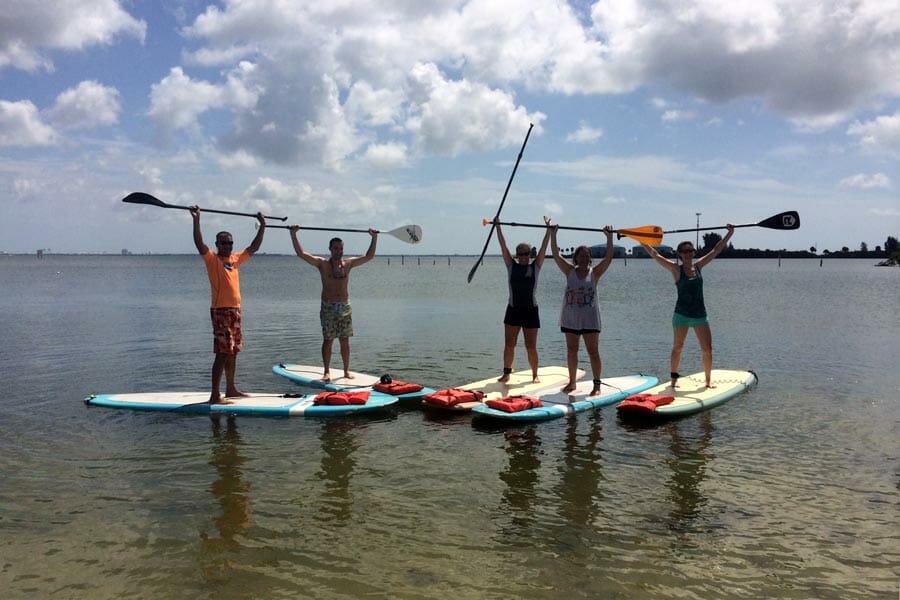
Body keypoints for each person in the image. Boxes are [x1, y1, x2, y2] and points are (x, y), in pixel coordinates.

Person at [640, 225, 735, 389]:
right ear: (680, 254)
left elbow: (715, 250)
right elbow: (655, 254)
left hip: (700, 315)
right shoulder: (676, 269)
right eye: (684, 251)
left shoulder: (699, 266)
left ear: (693, 252)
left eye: (690, 250)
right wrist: (641, 240)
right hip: (681, 315)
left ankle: (707, 381)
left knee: (707, 349)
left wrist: (729, 233)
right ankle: (674, 379)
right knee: (678, 347)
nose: (688, 253)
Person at [191, 206, 266, 404]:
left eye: (230, 243)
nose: (228, 246)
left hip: (235, 311)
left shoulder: (234, 260)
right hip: (220, 311)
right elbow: (199, 243)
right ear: (217, 244)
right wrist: (196, 219)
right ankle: (215, 395)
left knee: (233, 352)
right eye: (224, 243)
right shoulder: (212, 259)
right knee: (222, 353)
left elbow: (254, 247)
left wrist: (263, 225)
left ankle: (231, 389)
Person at [290, 226, 378, 382]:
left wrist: (374, 237)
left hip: (344, 306)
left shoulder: (348, 264)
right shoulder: (322, 264)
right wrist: (293, 234)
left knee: (345, 340)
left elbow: (369, 256)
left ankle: (346, 370)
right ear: (330, 249)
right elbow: (301, 254)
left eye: (341, 248)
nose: (339, 251)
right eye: (336, 248)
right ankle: (326, 371)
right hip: (328, 307)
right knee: (328, 339)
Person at [549, 225, 614, 396]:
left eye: (587, 255)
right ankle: (572, 383)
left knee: (593, 351)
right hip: (570, 319)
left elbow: (608, 259)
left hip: (590, 320)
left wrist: (609, 237)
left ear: (589, 258)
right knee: (572, 350)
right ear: (576, 257)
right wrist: (553, 234)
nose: (584, 257)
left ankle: (597, 385)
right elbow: (556, 255)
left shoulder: (595, 273)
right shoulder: (569, 271)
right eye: (581, 255)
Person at [494, 215, 552, 384]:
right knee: (509, 344)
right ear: (517, 255)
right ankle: (506, 373)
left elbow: (543, 248)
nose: (524, 256)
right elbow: (503, 245)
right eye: (520, 254)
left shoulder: (536, 266)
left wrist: (548, 230)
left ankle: (535, 375)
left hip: (530, 311)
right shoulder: (511, 266)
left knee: (530, 346)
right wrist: (498, 226)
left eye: (526, 254)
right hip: (513, 310)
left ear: (530, 254)